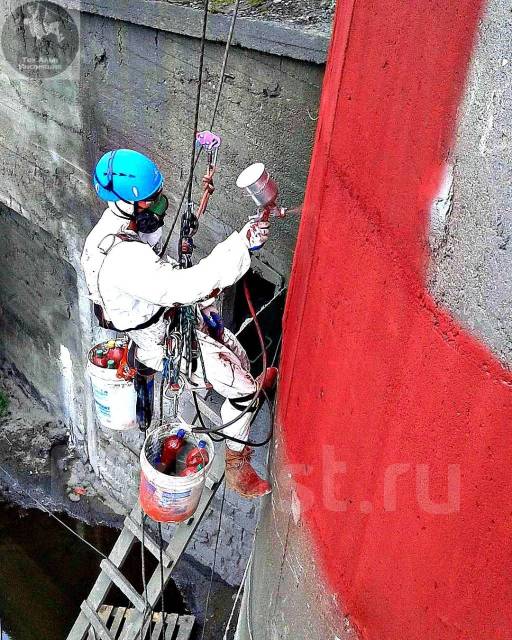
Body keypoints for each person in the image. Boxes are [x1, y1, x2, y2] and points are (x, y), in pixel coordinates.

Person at [81, 148, 276, 498]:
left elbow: (162, 275)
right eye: (150, 200)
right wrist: (241, 246)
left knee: (237, 353)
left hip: (167, 316)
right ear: (127, 203)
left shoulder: (114, 229)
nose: (158, 205)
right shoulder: (123, 258)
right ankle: (237, 468)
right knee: (243, 389)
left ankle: (244, 389)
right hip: (162, 339)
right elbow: (180, 287)